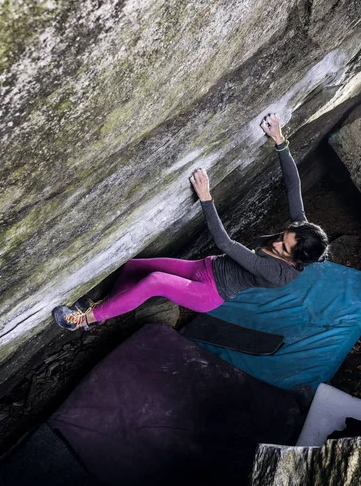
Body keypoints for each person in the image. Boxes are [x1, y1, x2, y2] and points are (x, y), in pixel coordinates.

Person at [53, 113, 328, 331]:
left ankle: (86, 320)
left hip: (210, 292)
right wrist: (280, 140)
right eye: (284, 235)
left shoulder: (279, 274)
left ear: (293, 260)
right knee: (135, 267)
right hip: (206, 266)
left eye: (282, 247)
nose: (279, 240)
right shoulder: (299, 233)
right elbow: (293, 186)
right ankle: (104, 309)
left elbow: (225, 242)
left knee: (155, 281)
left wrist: (207, 198)